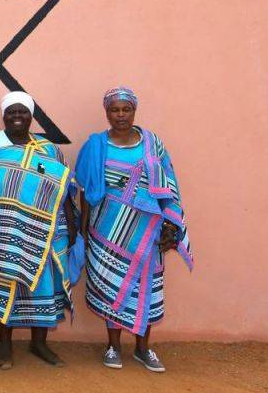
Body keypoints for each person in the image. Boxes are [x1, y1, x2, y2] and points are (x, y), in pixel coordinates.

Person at [75, 87, 193, 373]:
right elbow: (85, 189)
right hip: (106, 229)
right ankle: (113, 346)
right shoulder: (96, 145)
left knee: (147, 287)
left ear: (134, 111)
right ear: (106, 113)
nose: (120, 115)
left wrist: (170, 225)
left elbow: (169, 185)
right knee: (110, 285)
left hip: (147, 229)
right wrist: (83, 231)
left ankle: (143, 348)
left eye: (125, 109)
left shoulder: (153, 144)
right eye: (114, 110)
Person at [0, 91, 77, 370]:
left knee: (45, 284)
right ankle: (5, 345)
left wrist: (72, 224)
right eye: (11, 112)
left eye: (22, 112)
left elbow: (63, 190)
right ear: (4, 116)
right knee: (4, 282)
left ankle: (39, 343)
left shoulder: (49, 149)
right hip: (0, 231)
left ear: (31, 116)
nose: (17, 116)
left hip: (48, 230)